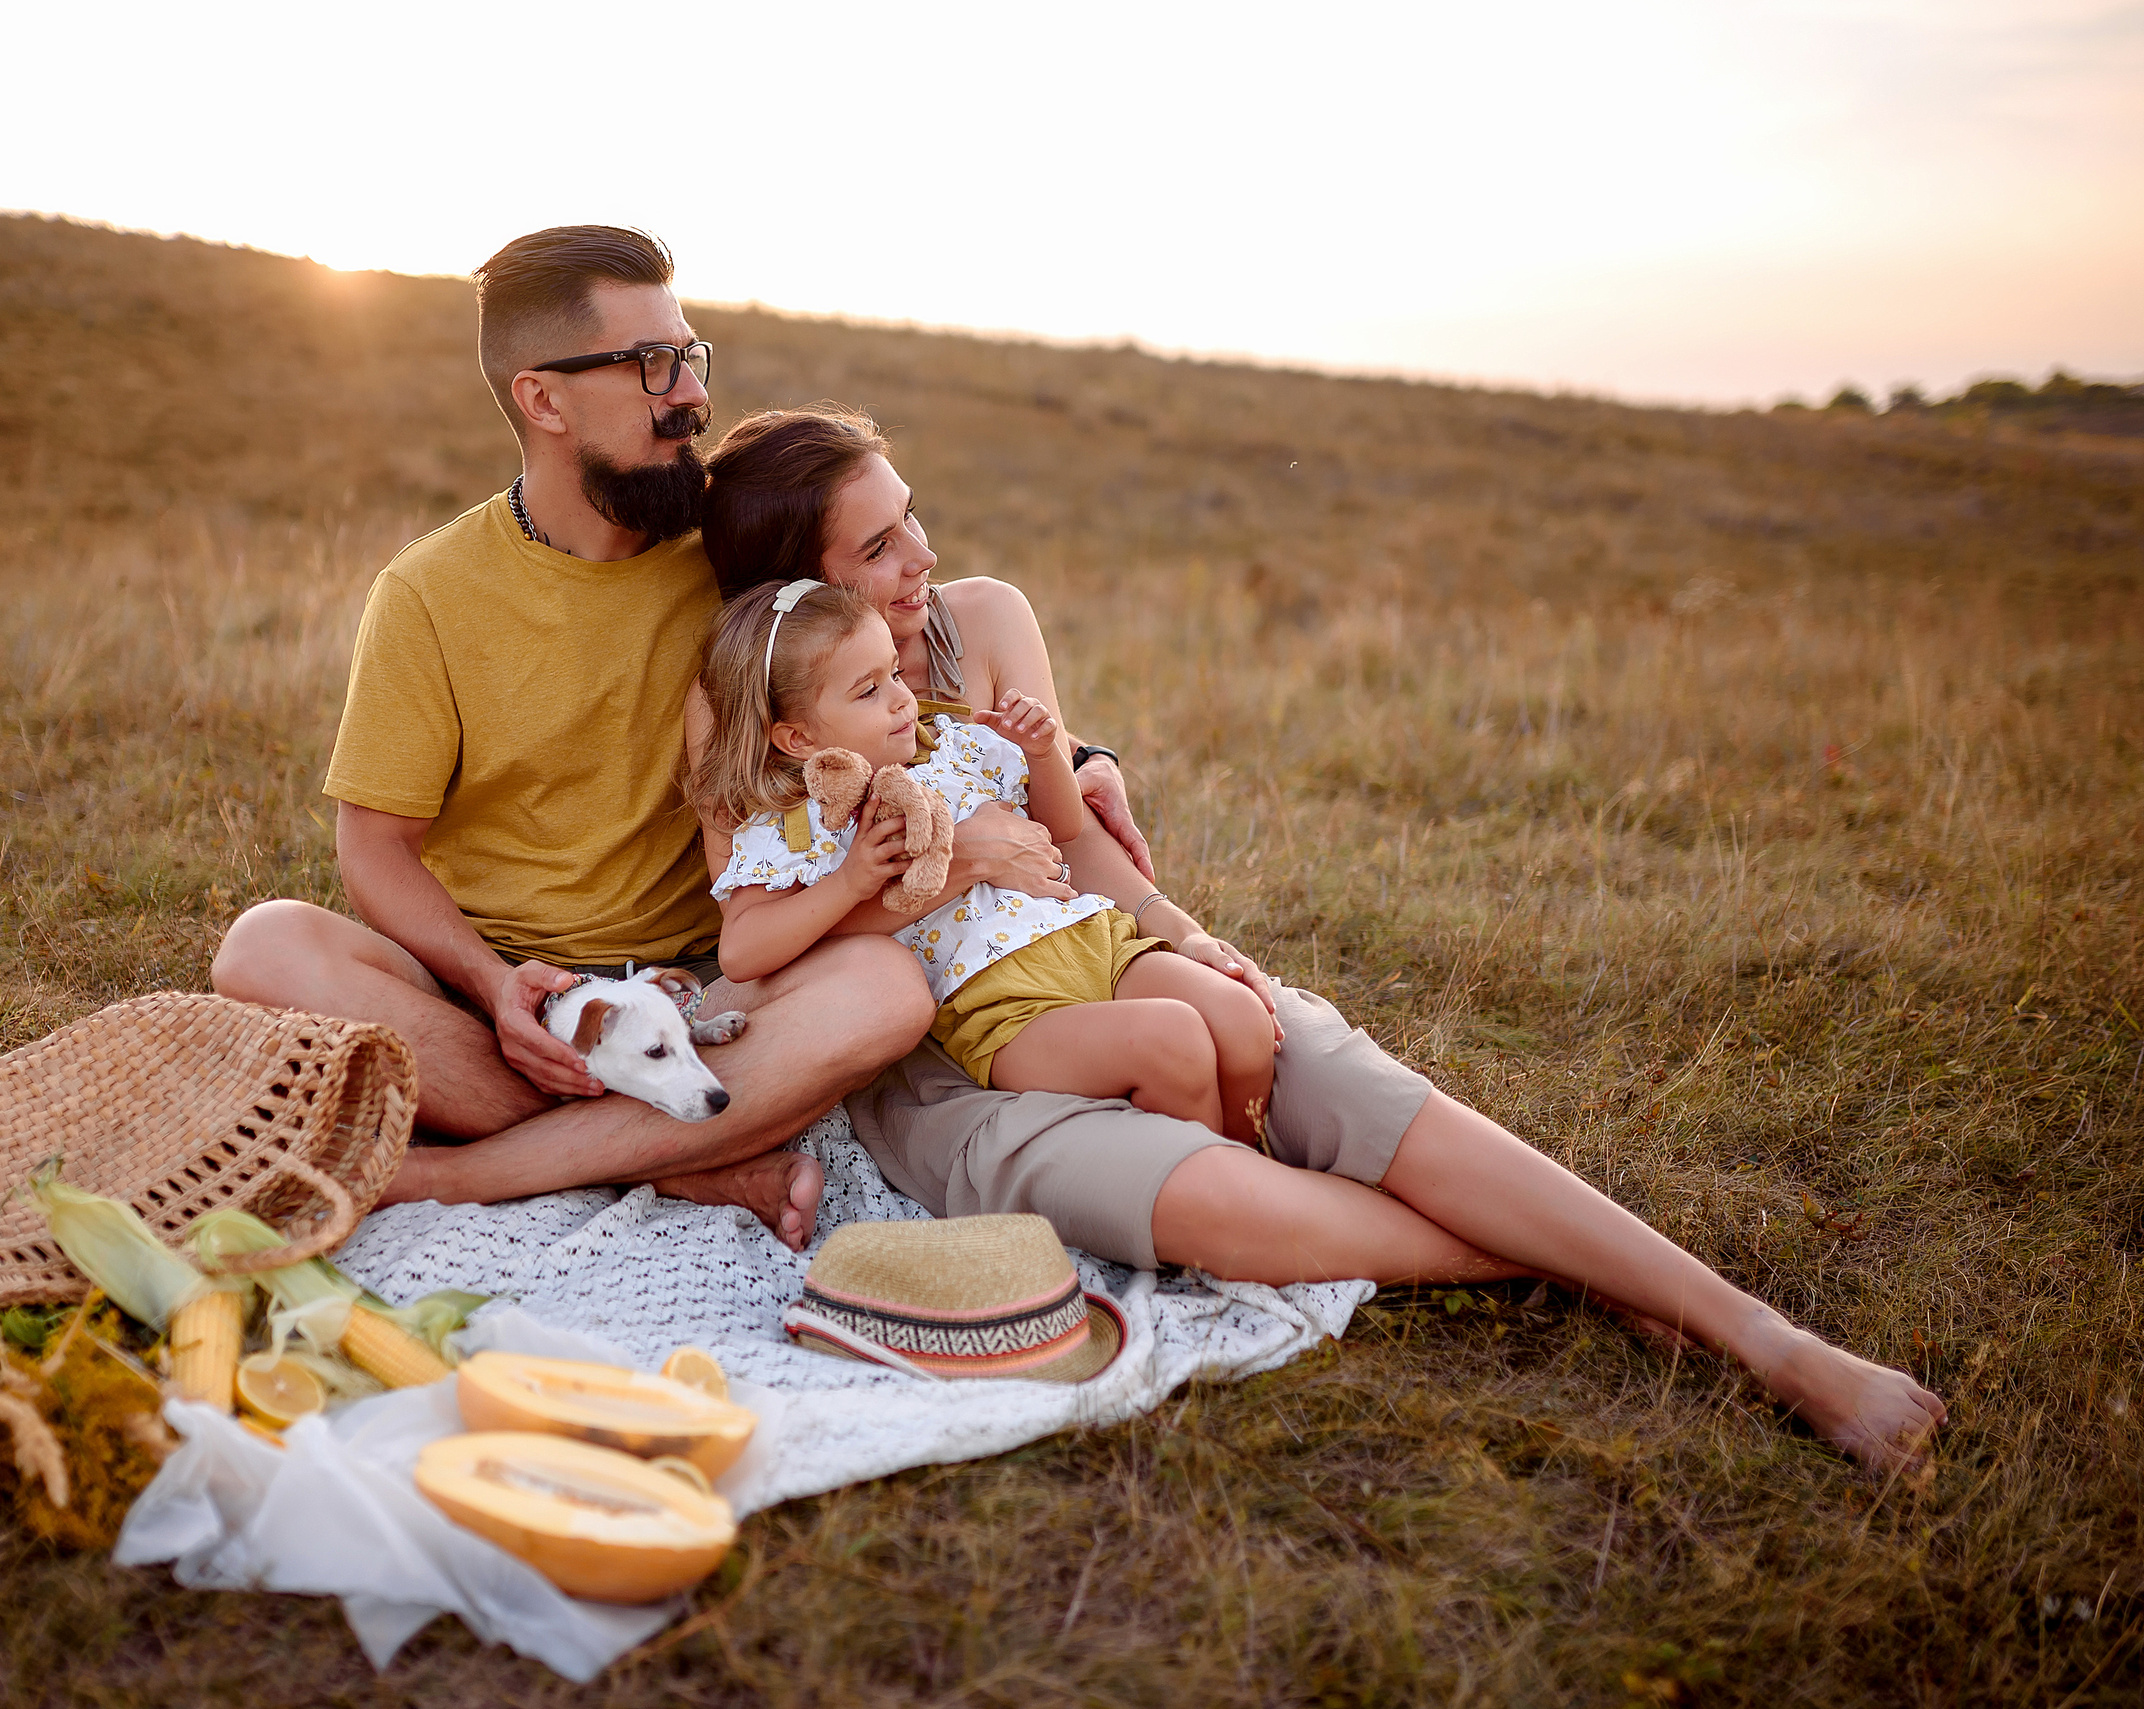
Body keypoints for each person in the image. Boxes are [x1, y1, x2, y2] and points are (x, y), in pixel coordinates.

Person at [693, 406, 1948, 1473]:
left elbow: (1075, 844)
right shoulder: (746, 710)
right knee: (1215, 1190)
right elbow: (783, 948)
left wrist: (1188, 934)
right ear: (794, 592)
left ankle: (1770, 1340)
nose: (920, 554)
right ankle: (1596, 1277)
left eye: (911, 516)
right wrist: (949, 855)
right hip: (951, 1054)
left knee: (1333, 1071)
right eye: (877, 545)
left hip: (1085, 952)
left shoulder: (984, 620)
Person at [209, 228, 940, 1251]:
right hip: (505, 1000)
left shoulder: (731, 559)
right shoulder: (429, 592)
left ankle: (466, 1171)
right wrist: (491, 985)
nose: (688, 393)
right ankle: (692, 1161)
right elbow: (373, 846)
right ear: (544, 400)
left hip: (708, 988)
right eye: (650, 365)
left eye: (690, 355)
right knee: (264, 946)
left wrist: (1078, 764)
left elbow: (891, 635)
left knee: (881, 993)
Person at [690, 577, 1277, 1143]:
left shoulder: (952, 745)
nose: (901, 699)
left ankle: (1251, 1171)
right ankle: (1215, 1214)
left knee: (1240, 1020)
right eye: (868, 691)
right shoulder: (797, 823)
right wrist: (849, 882)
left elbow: (1063, 824)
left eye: (894, 672)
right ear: (797, 739)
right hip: (1001, 1004)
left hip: (1094, 940)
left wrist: (1043, 752)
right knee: (1176, 1044)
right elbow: (742, 951)